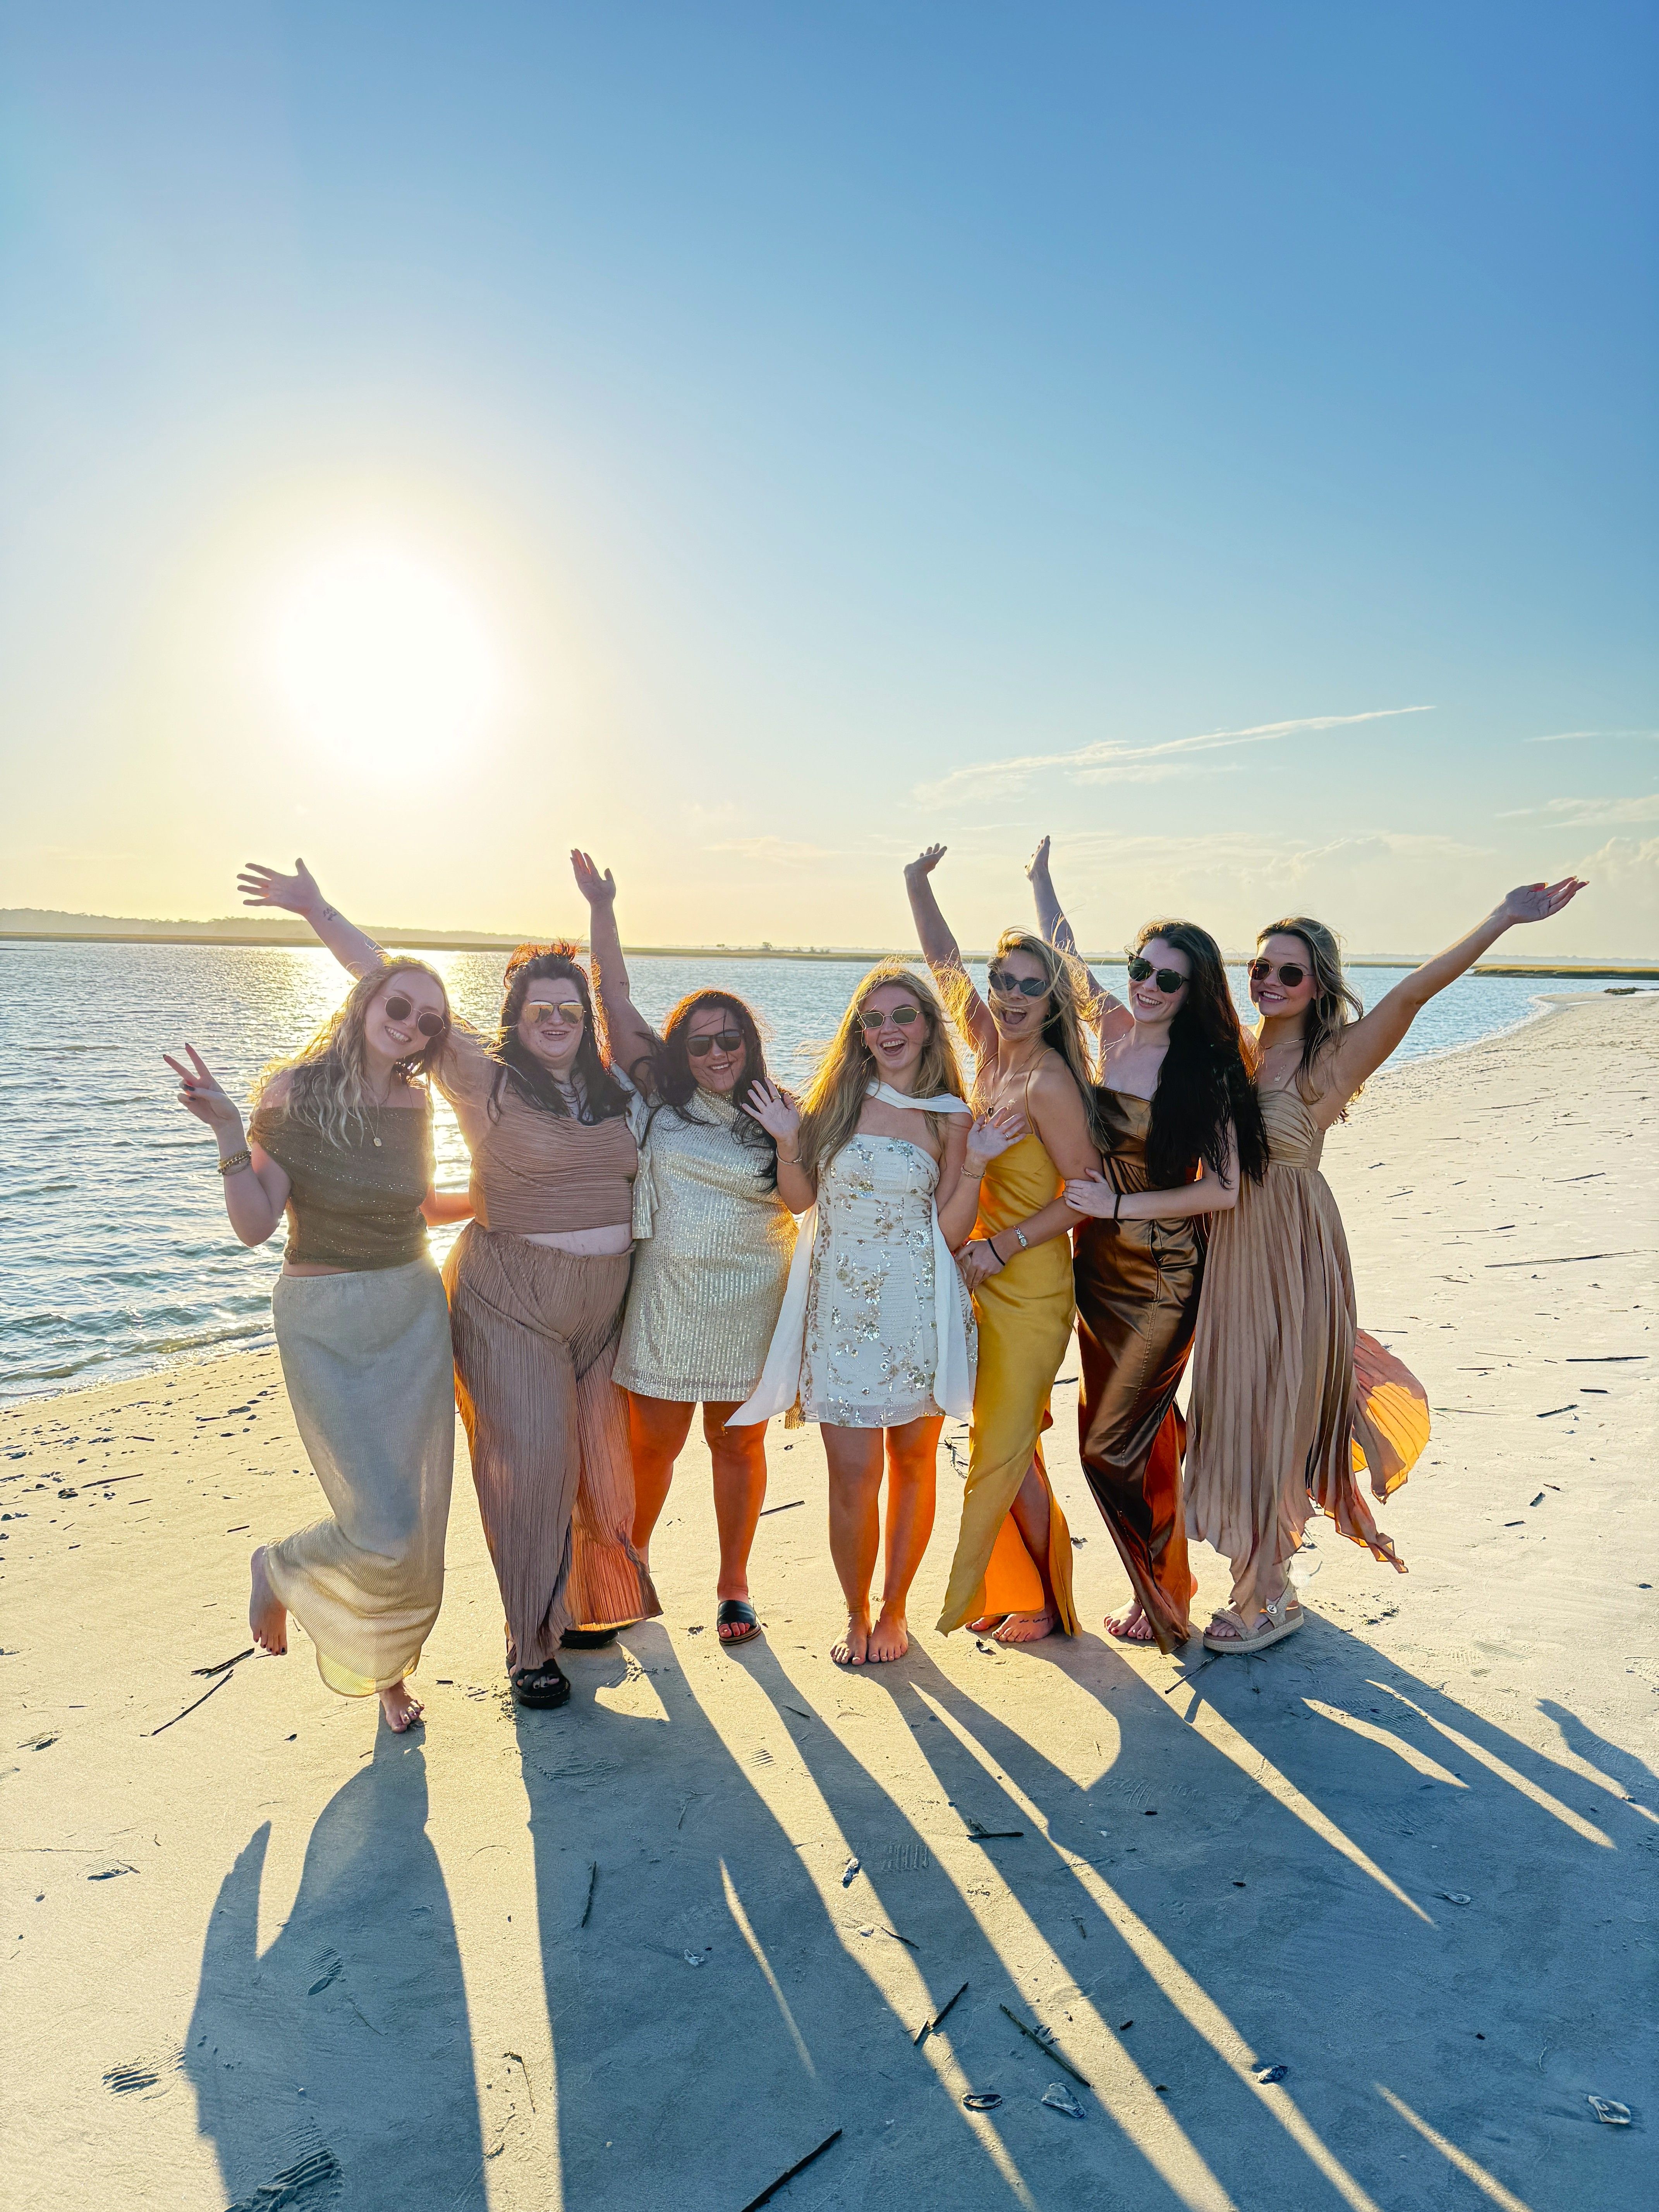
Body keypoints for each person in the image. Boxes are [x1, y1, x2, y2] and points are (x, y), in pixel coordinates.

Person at [237, 860, 659, 1711]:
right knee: (530, 1468)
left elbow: (618, 994)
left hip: (604, 1306)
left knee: (607, 1470)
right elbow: (386, 985)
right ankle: (530, 1645)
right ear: (514, 1020)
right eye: (539, 1009)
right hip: (513, 1300)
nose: (556, 1020)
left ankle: (587, 1607)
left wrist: (604, 912)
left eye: (568, 1010)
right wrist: (319, 908)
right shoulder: (483, 1078)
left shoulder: (615, 1092)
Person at [1185, 879, 1585, 1653]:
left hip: (1293, 1248)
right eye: (1260, 966)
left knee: (1274, 1412)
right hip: (1230, 1250)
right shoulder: (1237, 1047)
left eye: (1289, 972)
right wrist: (1045, 893)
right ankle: (1268, 1577)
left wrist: (1501, 917)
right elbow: (1139, 1003)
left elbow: (1409, 997)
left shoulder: (1332, 1057)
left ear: (1319, 986)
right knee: (1231, 1407)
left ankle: (1264, 1593)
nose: (1269, 981)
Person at [165, 960, 467, 1733]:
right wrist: (231, 1132)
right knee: (380, 1524)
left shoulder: (416, 1100)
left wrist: (520, 1195)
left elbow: (427, 1205)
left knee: (417, 1523)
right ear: (367, 1001)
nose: (411, 1025)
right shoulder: (293, 1092)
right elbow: (255, 1224)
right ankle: (280, 1566)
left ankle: (389, 1678)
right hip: (324, 1324)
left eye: (430, 1020)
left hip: (412, 1314)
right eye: (400, 1005)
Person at [733, 965, 1022, 1665]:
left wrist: (979, 1161)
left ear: (927, 1024)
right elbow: (800, 1202)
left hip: (917, 1305)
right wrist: (785, 1141)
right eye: (874, 1019)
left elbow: (953, 1234)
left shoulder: (951, 1116)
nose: (888, 1031)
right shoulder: (837, 1099)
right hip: (838, 1307)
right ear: (860, 1032)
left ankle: (895, 1611)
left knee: (914, 1462)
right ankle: (855, 1611)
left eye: (902, 1016)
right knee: (850, 1475)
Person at [1027, 850, 1267, 1650]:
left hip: (1164, 1270)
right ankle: (1163, 1579)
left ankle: (1165, 1592)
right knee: (1141, 1428)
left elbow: (1226, 1188)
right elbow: (1064, 952)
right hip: (1095, 1262)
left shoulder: (1211, 1067)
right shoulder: (1113, 1026)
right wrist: (1040, 883)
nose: (1148, 986)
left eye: (1169, 979)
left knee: (1108, 1444)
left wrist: (1124, 1203)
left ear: (1195, 993)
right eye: (1141, 968)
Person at [570, 850, 796, 1646]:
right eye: (701, 1042)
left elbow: (805, 1199)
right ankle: (627, 1572)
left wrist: (789, 1137)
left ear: (749, 1043)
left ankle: (735, 1587)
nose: (716, 1053)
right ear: (682, 1050)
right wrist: (603, 906)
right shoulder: (660, 1092)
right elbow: (615, 994)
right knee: (653, 1445)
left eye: (730, 1039)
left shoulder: (779, 1108)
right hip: (667, 1300)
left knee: (737, 1446)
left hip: (752, 1301)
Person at [903, 843, 1103, 1644]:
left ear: (1053, 998)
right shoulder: (987, 1052)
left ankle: (1047, 1603)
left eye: (1031, 985)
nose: (1013, 996)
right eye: (1004, 983)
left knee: (1002, 1441)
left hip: (1030, 1284)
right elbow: (944, 967)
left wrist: (1003, 1245)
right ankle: (1024, 1586)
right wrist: (916, 885)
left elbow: (1086, 1198)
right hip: (976, 1277)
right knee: (1002, 1440)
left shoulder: (1051, 1080)